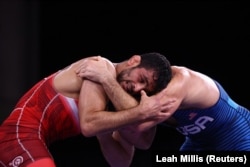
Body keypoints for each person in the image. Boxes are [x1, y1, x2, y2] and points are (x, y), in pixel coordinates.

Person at [0, 52, 172, 167]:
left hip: (33, 141)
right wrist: (141, 112)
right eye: (141, 78)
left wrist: (104, 131)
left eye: (144, 88)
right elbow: (89, 125)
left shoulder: (117, 96)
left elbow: (122, 162)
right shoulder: (101, 67)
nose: (136, 87)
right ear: (134, 61)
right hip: (17, 135)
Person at [76, 54, 250, 151]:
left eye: (144, 81)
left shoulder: (181, 82)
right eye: (141, 80)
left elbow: (136, 126)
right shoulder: (143, 93)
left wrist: (106, 79)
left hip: (239, 133)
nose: (137, 88)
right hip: (198, 143)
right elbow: (142, 142)